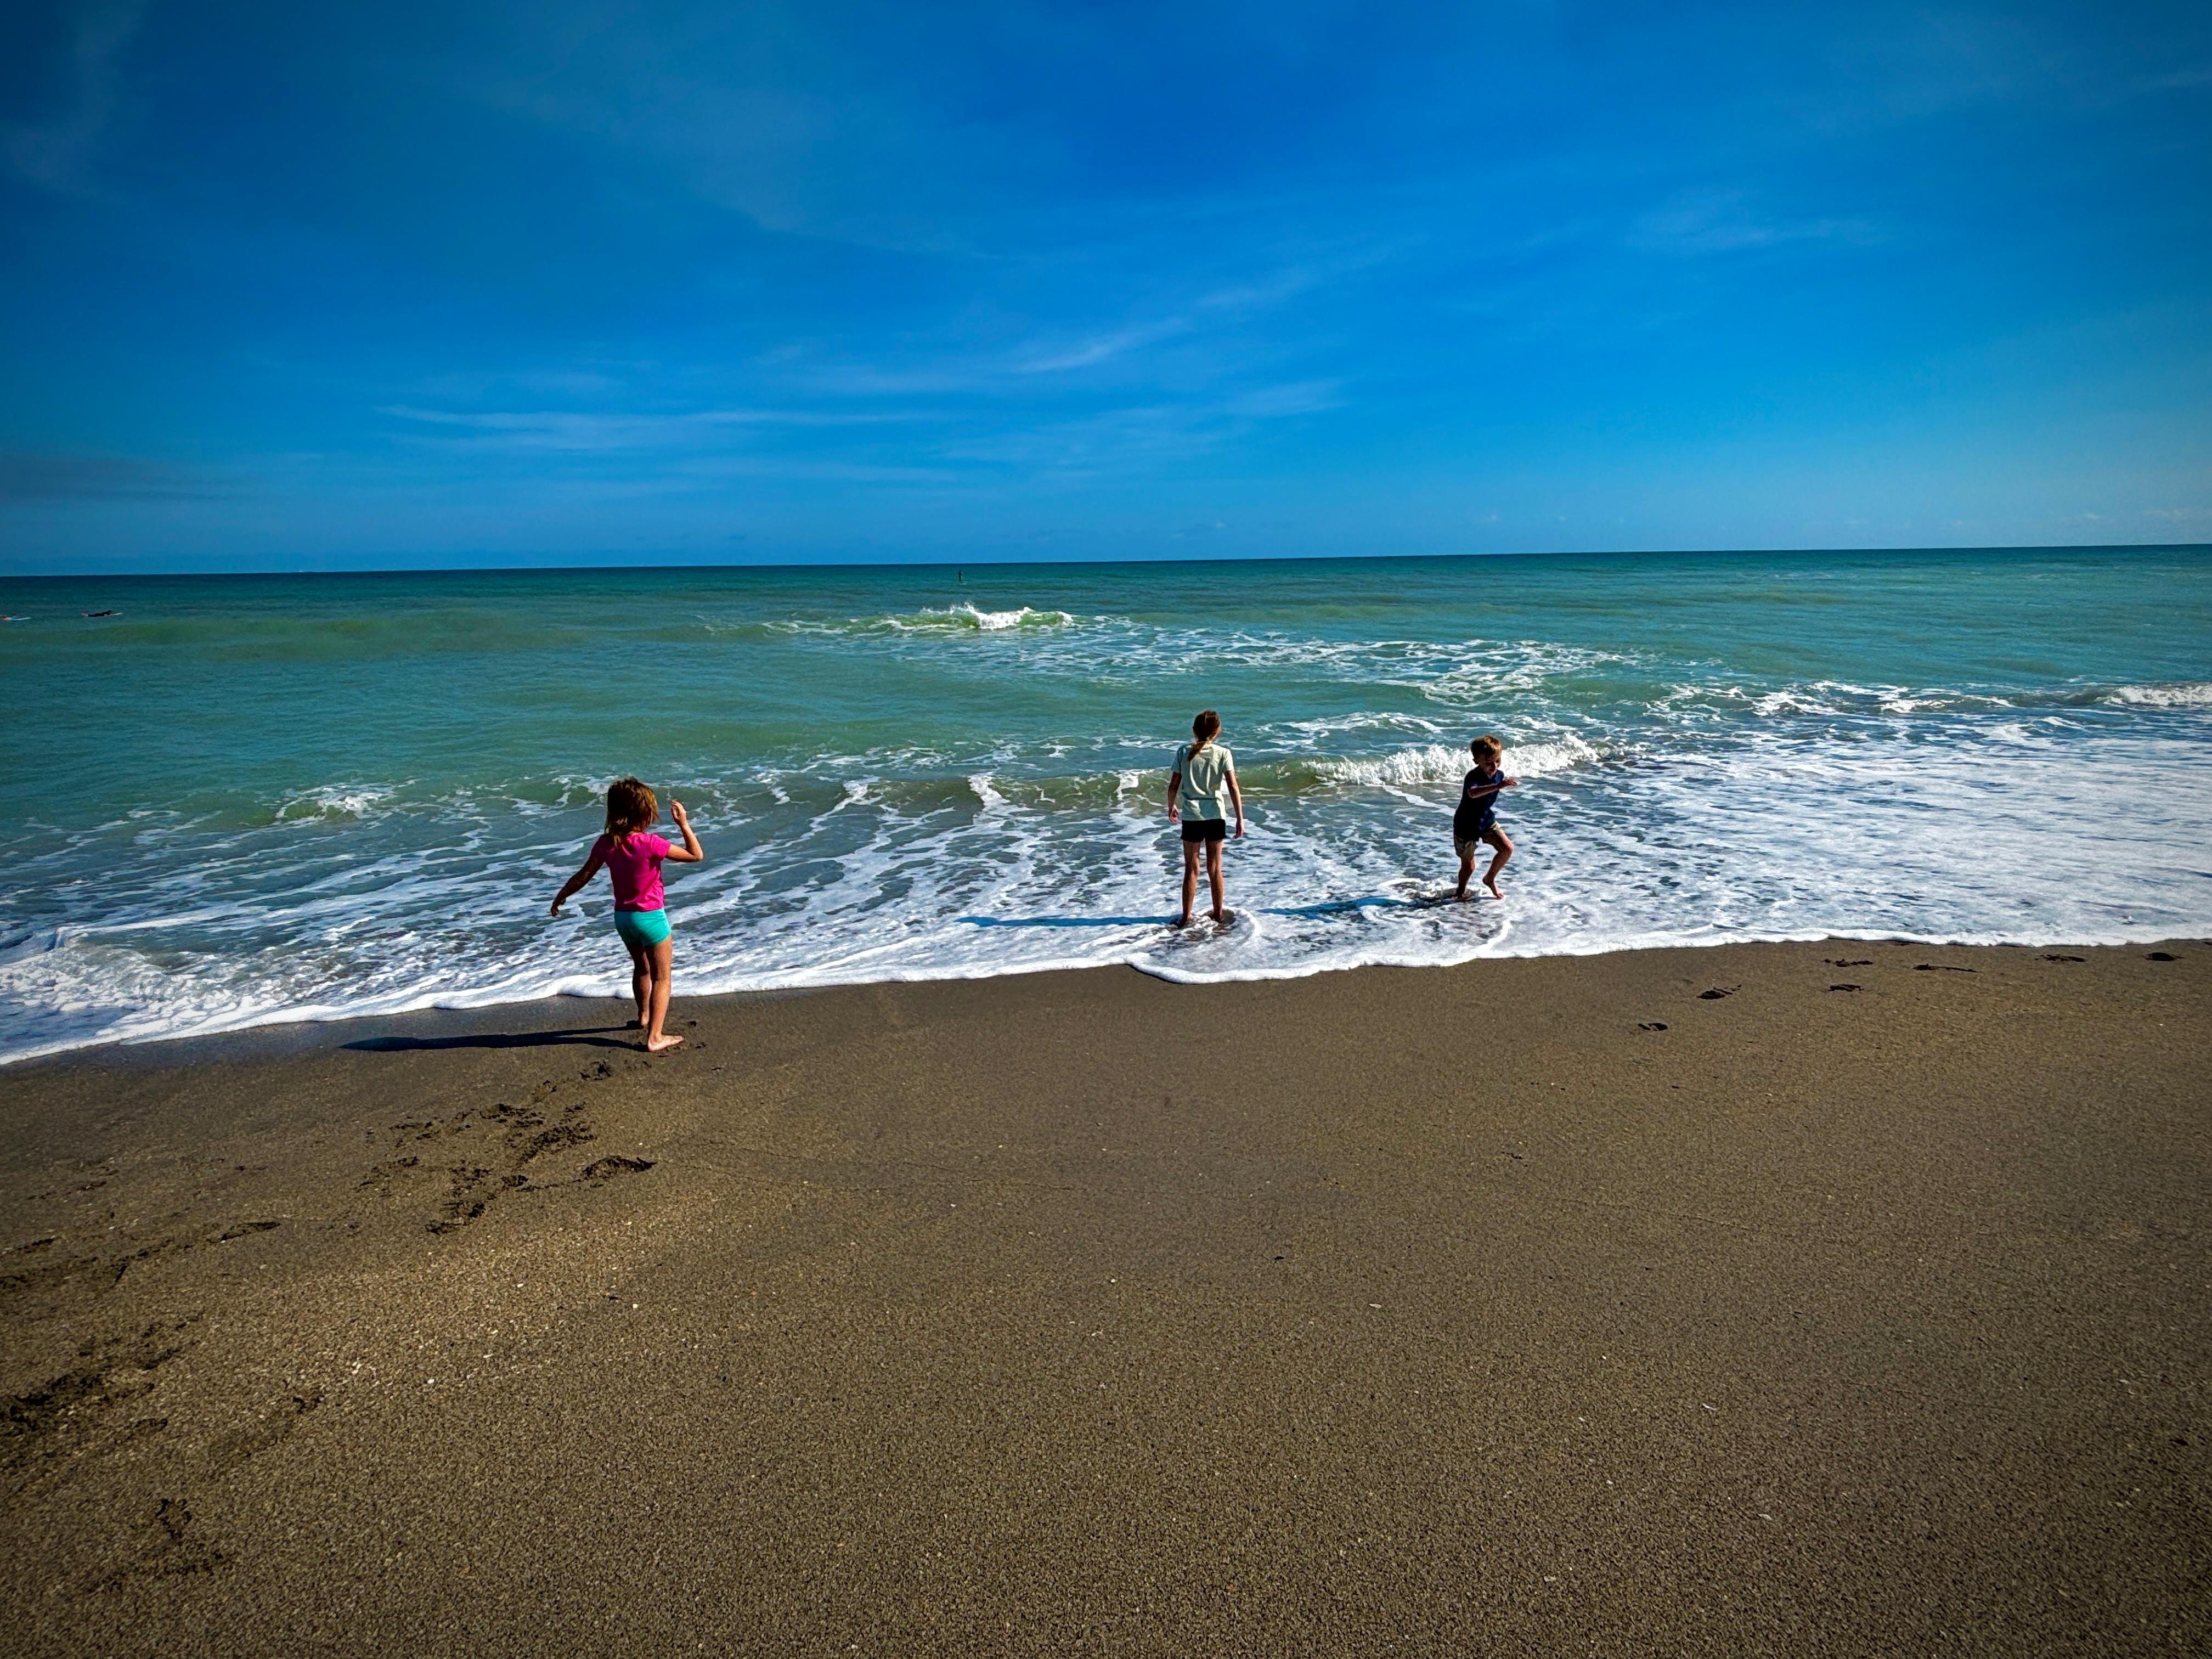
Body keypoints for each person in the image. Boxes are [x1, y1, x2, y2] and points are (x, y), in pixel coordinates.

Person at [550, 777, 702, 1052]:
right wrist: (683, 824)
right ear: (644, 813)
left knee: (641, 968)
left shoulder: (606, 843)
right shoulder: (651, 843)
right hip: (651, 917)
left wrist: (563, 894)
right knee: (662, 977)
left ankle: (643, 1017)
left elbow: (584, 874)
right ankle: (655, 1037)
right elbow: (696, 855)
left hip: (623, 918)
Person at [1166, 709, 1245, 927]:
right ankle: (1218, 914)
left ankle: (1186, 917)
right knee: (1215, 868)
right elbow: (1233, 787)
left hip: (1192, 816)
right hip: (1216, 815)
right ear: (1217, 731)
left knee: (1191, 869)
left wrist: (1171, 806)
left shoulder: (1184, 752)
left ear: (1194, 730)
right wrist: (1240, 818)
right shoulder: (1223, 753)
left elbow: (1174, 785)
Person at [1453, 735, 1519, 901]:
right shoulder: (1473, 776)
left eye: (1498, 761)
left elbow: (1494, 787)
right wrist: (1498, 786)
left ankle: (1489, 879)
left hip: (1486, 820)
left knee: (1507, 849)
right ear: (1477, 761)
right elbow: (1473, 793)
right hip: (1466, 824)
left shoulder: (1499, 775)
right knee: (1469, 867)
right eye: (1489, 762)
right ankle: (1460, 894)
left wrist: (1499, 783)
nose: (1494, 766)